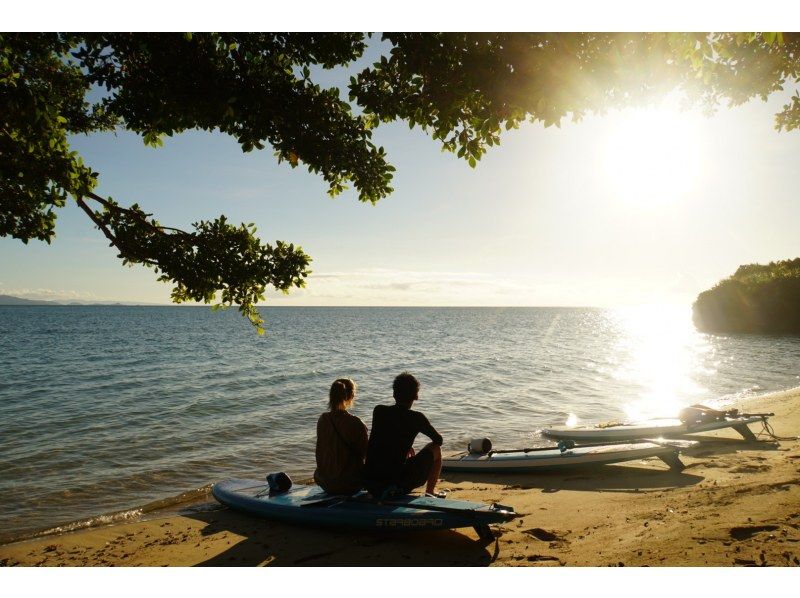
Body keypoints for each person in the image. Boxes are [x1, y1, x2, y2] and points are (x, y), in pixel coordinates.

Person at [363, 372, 443, 498]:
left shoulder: (379, 411)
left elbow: (388, 434)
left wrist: (404, 444)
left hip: (370, 481)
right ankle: (430, 491)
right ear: (416, 396)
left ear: (394, 394)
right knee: (436, 449)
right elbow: (438, 440)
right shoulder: (417, 418)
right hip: (396, 482)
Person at [314, 378, 368, 495]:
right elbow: (366, 455)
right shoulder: (356, 423)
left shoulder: (323, 419)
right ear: (351, 396)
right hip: (350, 484)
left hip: (325, 482)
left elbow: (320, 452)